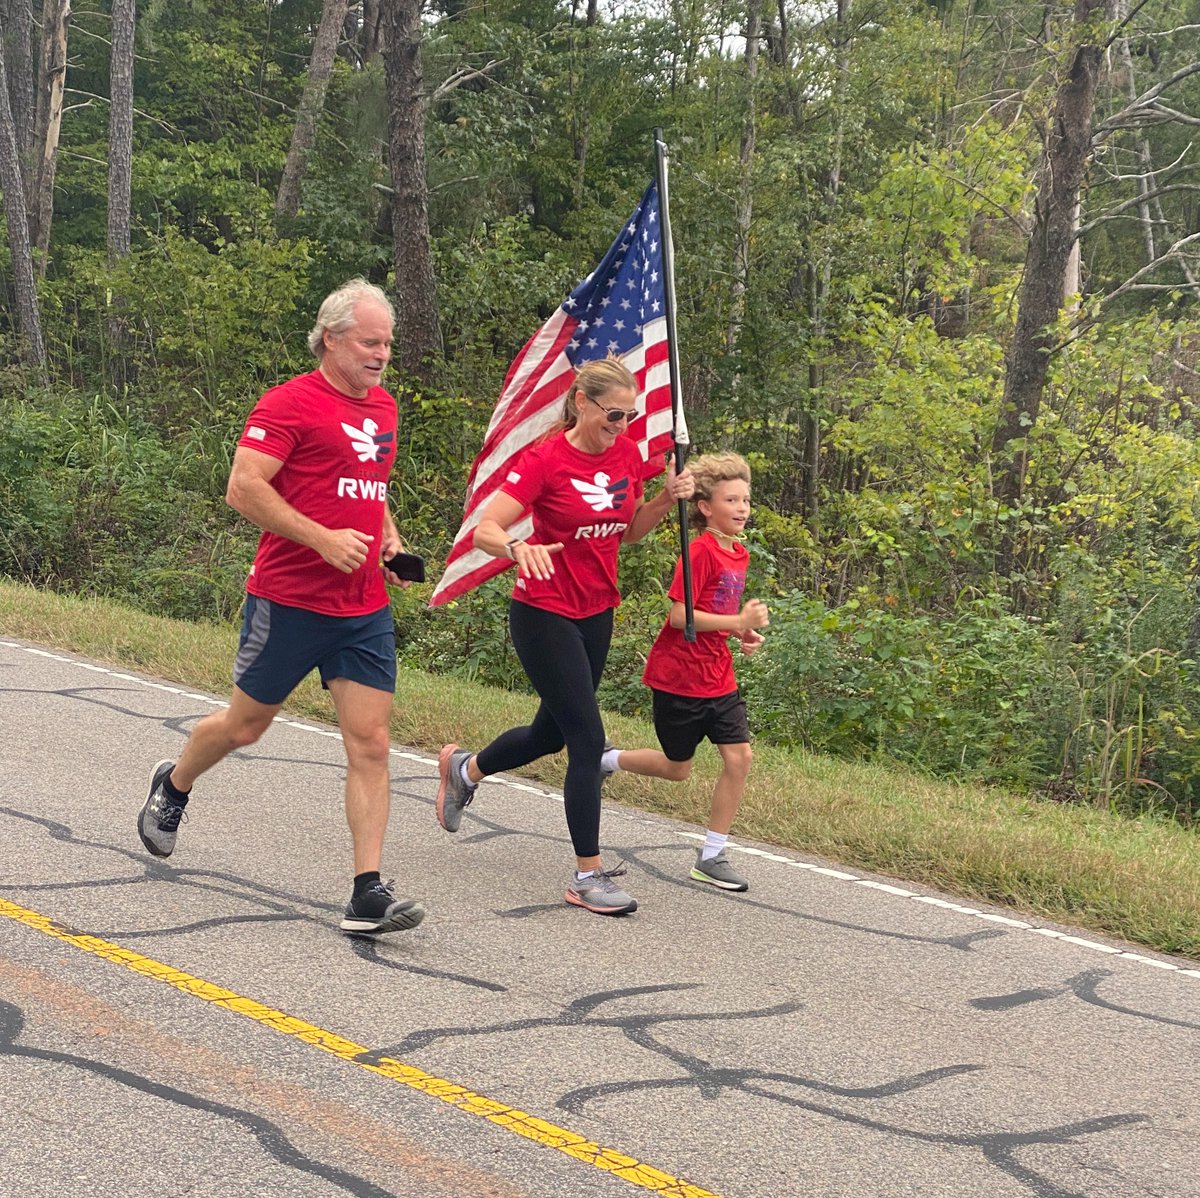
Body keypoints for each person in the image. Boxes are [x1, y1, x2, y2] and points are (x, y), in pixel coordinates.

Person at [136, 279, 425, 936]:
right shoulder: (289, 403)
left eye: (387, 343)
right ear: (332, 338)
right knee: (244, 728)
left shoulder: (383, 407)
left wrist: (388, 540)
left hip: (362, 608)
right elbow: (243, 488)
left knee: (372, 743)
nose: (382, 355)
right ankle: (175, 783)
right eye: (370, 342)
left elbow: (370, 486)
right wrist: (322, 539)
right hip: (288, 600)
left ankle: (367, 892)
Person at [435, 358, 694, 916]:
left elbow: (627, 532)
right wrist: (517, 547)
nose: (622, 425)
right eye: (613, 414)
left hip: (596, 611)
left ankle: (465, 769)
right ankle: (587, 875)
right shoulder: (545, 459)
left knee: (548, 735)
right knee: (587, 738)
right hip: (543, 612)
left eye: (629, 416)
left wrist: (663, 500)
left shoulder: (626, 455)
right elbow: (485, 529)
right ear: (582, 402)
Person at [601, 452, 768, 892]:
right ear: (705, 507)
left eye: (746, 500)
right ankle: (606, 760)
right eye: (731, 500)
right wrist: (738, 620)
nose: (742, 508)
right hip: (679, 678)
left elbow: (715, 611)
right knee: (678, 768)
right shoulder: (699, 552)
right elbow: (680, 616)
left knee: (740, 757)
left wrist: (741, 633)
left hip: (719, 677)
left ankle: (712, 855)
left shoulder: (738, 554)